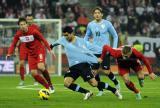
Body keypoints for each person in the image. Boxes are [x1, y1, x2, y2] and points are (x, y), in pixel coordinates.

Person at [50, 26, 122, 100]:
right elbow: (54, 44)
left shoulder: (81, 41)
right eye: (64, 35)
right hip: (73, 67)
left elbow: (93, 47)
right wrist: (50, 47)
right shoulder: (63, 39)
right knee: (66, 83)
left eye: (67, 35)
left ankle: (114, 90)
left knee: (94, 84)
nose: (65, 37)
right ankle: (87, 92)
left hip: (83, 65)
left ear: (72, 33)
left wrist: (103, 53)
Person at [6, 18, 55, 93]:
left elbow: (43, 39)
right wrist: (9, 53)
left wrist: (49, 49)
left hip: (39, 51)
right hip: (31, 54)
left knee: (41, 66)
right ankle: (47, 87)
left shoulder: (33, 31)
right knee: (33, 73)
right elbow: (13, 44)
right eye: (21, 25)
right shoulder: (18, 34)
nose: (22, 26)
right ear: (19, 26)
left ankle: (50, 84)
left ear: (27, 24)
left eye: (24, 24)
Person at [84, 7, 119, 96]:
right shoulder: (90, 25)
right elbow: (86, 36)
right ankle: (100, 90)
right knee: (94, 72)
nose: (97, 14)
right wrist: (85, 45)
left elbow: (115, 36)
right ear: (93, 15)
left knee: (106, 71)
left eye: (99, 13)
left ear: (102, 14)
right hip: (94, 51)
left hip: (105, 51)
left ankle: (116, 82)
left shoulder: (107, 24)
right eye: (95, 13)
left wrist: (114, 48)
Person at [17, 14, 40, 86]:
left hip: (32, 47)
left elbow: (38, 37)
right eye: (28, 19)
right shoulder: (22, 27)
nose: (29, 21)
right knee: (21, 63)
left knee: (34, 64)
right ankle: (22, 80)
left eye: (31, 19)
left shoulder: (36, 27)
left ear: (33, 20)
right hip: (23, 47)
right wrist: (16, 46)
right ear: (26, 20)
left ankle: (35, 80)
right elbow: (19, 38)